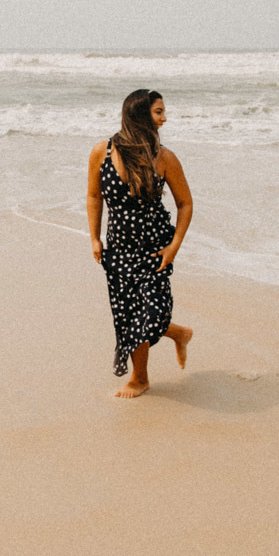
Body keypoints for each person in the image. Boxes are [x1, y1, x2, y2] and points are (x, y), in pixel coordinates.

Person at [87, 89, 194, 398]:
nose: (164, 118)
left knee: (151, 313)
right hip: (118, 248)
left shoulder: (164, 158)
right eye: (158, 112)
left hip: (154, 249)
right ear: (139, 114)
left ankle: (145, 370)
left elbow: (185, 204)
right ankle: (161, 354)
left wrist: (173, 247)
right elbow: (94, 196)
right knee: (129, 315)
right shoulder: (101, 152)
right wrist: (94, 237)